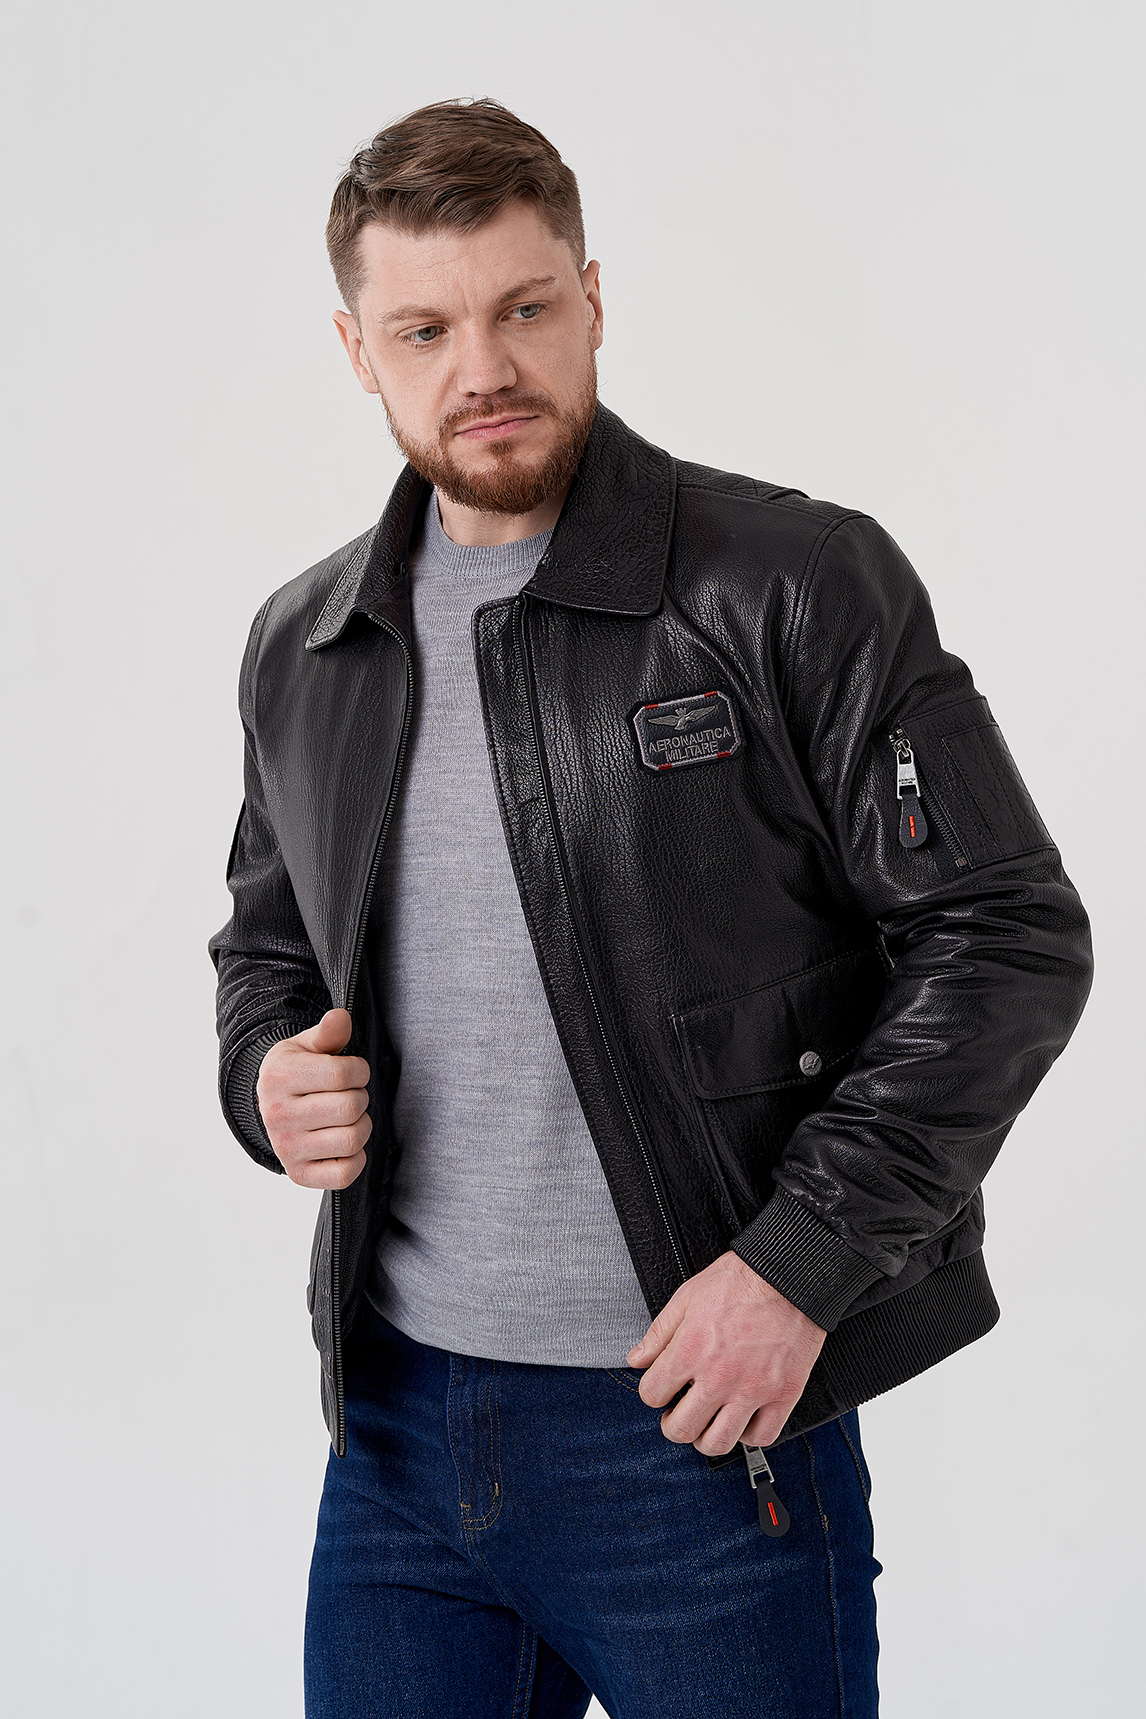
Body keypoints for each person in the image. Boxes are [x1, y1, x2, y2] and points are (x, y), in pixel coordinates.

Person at [209, 98, 1093, 1719]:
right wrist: (265, 1077)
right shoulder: (308, 643)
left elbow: (1002, 933)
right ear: (356, 351)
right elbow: (267, 949)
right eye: (424, 329)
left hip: (697, 1439)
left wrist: (799, 1265)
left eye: (523, 307)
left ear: (594, 300)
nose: (483, 366)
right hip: (395, 1446)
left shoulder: (791, 581)